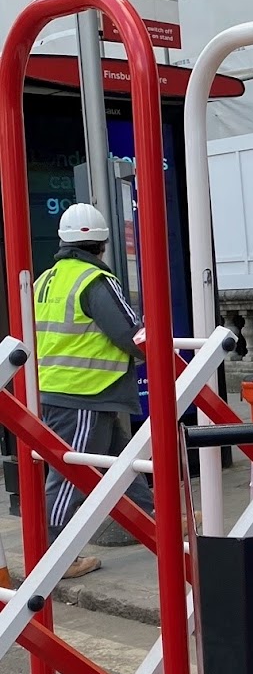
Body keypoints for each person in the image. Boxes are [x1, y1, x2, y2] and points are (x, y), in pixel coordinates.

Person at [34, 202, 154, 579]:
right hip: (86, 392)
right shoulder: (95, 281)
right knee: (72, 476)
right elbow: (131, 335)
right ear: (103, 243)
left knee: (122, 459)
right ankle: (56, 556)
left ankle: (153, 518)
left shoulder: (46, 280)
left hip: (56, 388)